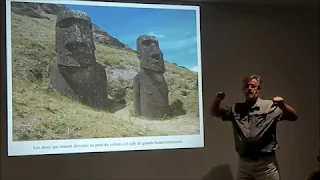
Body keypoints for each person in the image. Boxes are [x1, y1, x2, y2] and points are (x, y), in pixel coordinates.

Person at [210, 75, 298, 180]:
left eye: (253, 86)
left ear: (259, 89)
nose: (250, 88)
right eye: (247, 86)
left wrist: (283, 105)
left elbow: (293, 116)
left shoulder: (270, 106)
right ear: (243, 90)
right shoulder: (236, 109)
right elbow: (214, 112)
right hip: (244, 164)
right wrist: (218, 100)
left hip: (265, 165)